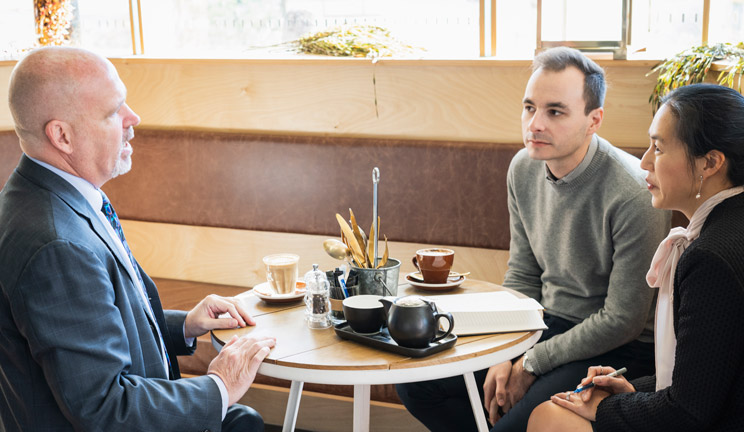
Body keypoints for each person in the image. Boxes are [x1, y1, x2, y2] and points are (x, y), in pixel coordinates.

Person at [0, 46, 276, 431]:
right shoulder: (56, 245)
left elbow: (89, 326)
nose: (134, 118)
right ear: (61, 135)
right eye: (114, 111)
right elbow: (104, 406)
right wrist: (219, 386)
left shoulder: (48, 194)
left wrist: (183, 326)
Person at [395, 47, 670, 431]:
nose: (534, 124)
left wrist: (528, 362)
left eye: (554, 111)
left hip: (615, 349)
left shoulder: (634, 192)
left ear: (594, 120)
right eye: (529, 108)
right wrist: (500, 353)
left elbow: (622, 320)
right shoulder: (523, 167)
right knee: (416, 385)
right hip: (540, 326)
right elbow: (523, 273)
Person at [528, 83, 744, 432]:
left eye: (658, 148)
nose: (644, 160)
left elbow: (688, 412)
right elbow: (707, 382)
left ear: (711, 163)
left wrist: (608, 406)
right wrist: (630, 390)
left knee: (549, 416)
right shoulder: (725, 229)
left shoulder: (712, 257)